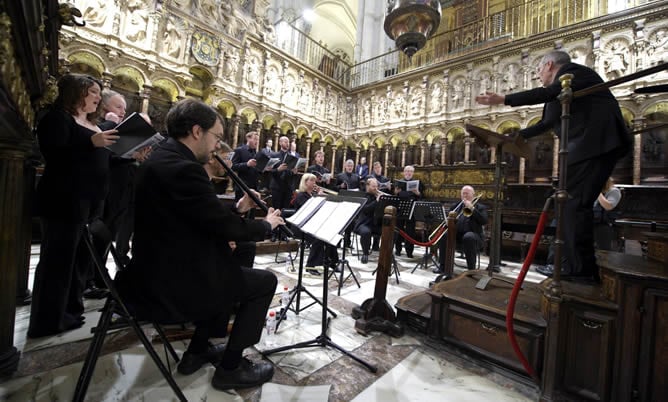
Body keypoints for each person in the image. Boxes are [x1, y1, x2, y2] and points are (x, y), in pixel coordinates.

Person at [115, 98, 284, 390]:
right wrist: (265, 225)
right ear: (196, 131)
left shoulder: (161, 157)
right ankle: (230, 368)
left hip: (153, 267)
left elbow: (196, 218)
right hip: (170, 284)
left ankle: (197, 351)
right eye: (217, 137)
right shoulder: (183, 168)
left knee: (231, 262)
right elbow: (218, 225)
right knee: (264, 281)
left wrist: (238, 212)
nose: (218, 146)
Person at [475, 50, 631, 279]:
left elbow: (547, 93)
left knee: (574, 206)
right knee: (570, 207)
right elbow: (547, 123)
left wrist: (503, 99)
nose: (538, 75)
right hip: (592, 147)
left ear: (549, 65)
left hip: (596, 145)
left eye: (538, 70)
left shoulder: (574, 74)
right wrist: (514, 138)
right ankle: (574, 267)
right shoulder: (563, 88)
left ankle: (580, 272)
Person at [28, 74, 120, 338]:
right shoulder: (57, 118)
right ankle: (48, 320)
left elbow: (102, 160)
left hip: (90, 202)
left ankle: (70, 309)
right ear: (75, 92)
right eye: (92, 91)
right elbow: (55, 154)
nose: (98, 97)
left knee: (80, 261)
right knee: (58, 262)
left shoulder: (91, 124)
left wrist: (130, 155)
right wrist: (90, 142)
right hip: (64, 199)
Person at [293, 173, 339, 274]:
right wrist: (319, 197)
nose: (315, 183)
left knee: (331, 235)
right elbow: (309, 210)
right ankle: (310, 266)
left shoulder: (313, 195)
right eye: (312, 181)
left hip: (313, 225)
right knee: (318, 239)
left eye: (315, 180)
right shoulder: (301, 195)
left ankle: (332, 262)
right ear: (305, 182)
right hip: (301, 226)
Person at [436, 185, 488, 273]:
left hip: (474, 236)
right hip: (458, 235)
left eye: (467, 193)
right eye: (463, 194)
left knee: (468, 237)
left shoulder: (480, 207)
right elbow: (449, 220)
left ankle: (471, 270)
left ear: (473, 195)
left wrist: (472, 208)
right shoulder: (456, 206)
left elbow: (484, 220)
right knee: (445, 235)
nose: (465, 196)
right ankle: (443, 266)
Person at [393, 165, 424, 258]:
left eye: (410, 171)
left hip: (411, 209)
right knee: (399, 230)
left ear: (413, 173)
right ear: (404, 172)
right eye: (406, 171)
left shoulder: (418, 183)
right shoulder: (399, 182)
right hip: (400, 208)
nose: (408, 173)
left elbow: (422, 196)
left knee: (410, 231)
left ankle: (409, 252)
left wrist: (417, 192)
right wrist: (396, 192)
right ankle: (398, 250)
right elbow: (394, 195)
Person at [354, 178, 382, 263]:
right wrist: (377, 202)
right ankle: (365, 253)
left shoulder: (379, 196)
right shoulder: (363, 196)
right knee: (366, 232)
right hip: (364, 224)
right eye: (373, 186)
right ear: (367, 186)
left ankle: (387, 253)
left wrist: (383, 201)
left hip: (376, 224)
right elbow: (366, 209)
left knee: (393, 232)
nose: (375, 188)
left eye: (376, 186)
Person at [593, 177, 622, 251]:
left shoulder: (614, 191)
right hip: (590, 223)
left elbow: (608, 206)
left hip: (603, 225)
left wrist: (597, 191)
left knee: (603, 251)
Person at [231, 131, 260, 201]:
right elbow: (233, 166)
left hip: (254, 187)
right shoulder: (239, 150)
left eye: (257, 140)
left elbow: (255, 169)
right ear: (248, 138)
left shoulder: (256, 153)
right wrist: (247, 164)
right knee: (241, 209)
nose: (257, 141)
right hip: (242, 186)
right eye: (255, 139)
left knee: (252, 210)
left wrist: (264, 168)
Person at [269, 136, 295, 212]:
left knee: (285, 210)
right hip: (277, 186)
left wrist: (294, 172)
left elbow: (291, 173)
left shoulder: (291, 157)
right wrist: (278, 169)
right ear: (280, 143)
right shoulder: (274, 155)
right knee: (276, 210)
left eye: (288, 142)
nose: (288, 144)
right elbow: (269, 171)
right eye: (285, 142)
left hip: (288, 187)